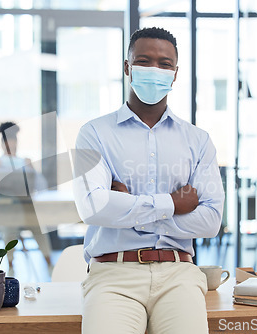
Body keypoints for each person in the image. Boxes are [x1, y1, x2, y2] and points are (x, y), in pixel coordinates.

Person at [73, 27, 225, 333]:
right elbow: (92, 207)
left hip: (179, 273)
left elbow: (210, 221)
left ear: (175, 73)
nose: (155, 69)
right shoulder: (94, 134)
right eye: (144, 61)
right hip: (113, 274)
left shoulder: (198, 140)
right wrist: (173, 203)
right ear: (127, 67)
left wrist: (129, 210)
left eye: (164, 64)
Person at [0, 121, 52, 276]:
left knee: (38, 227)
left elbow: (42, 186)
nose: (11, 146)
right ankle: (11, 268)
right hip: (5, 213)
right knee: (9, 226)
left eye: (14, 142)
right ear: (2, 144)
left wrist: (32, 170)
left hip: (25, 210)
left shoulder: (25, 162)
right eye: (8, 143)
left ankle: (50, 266)